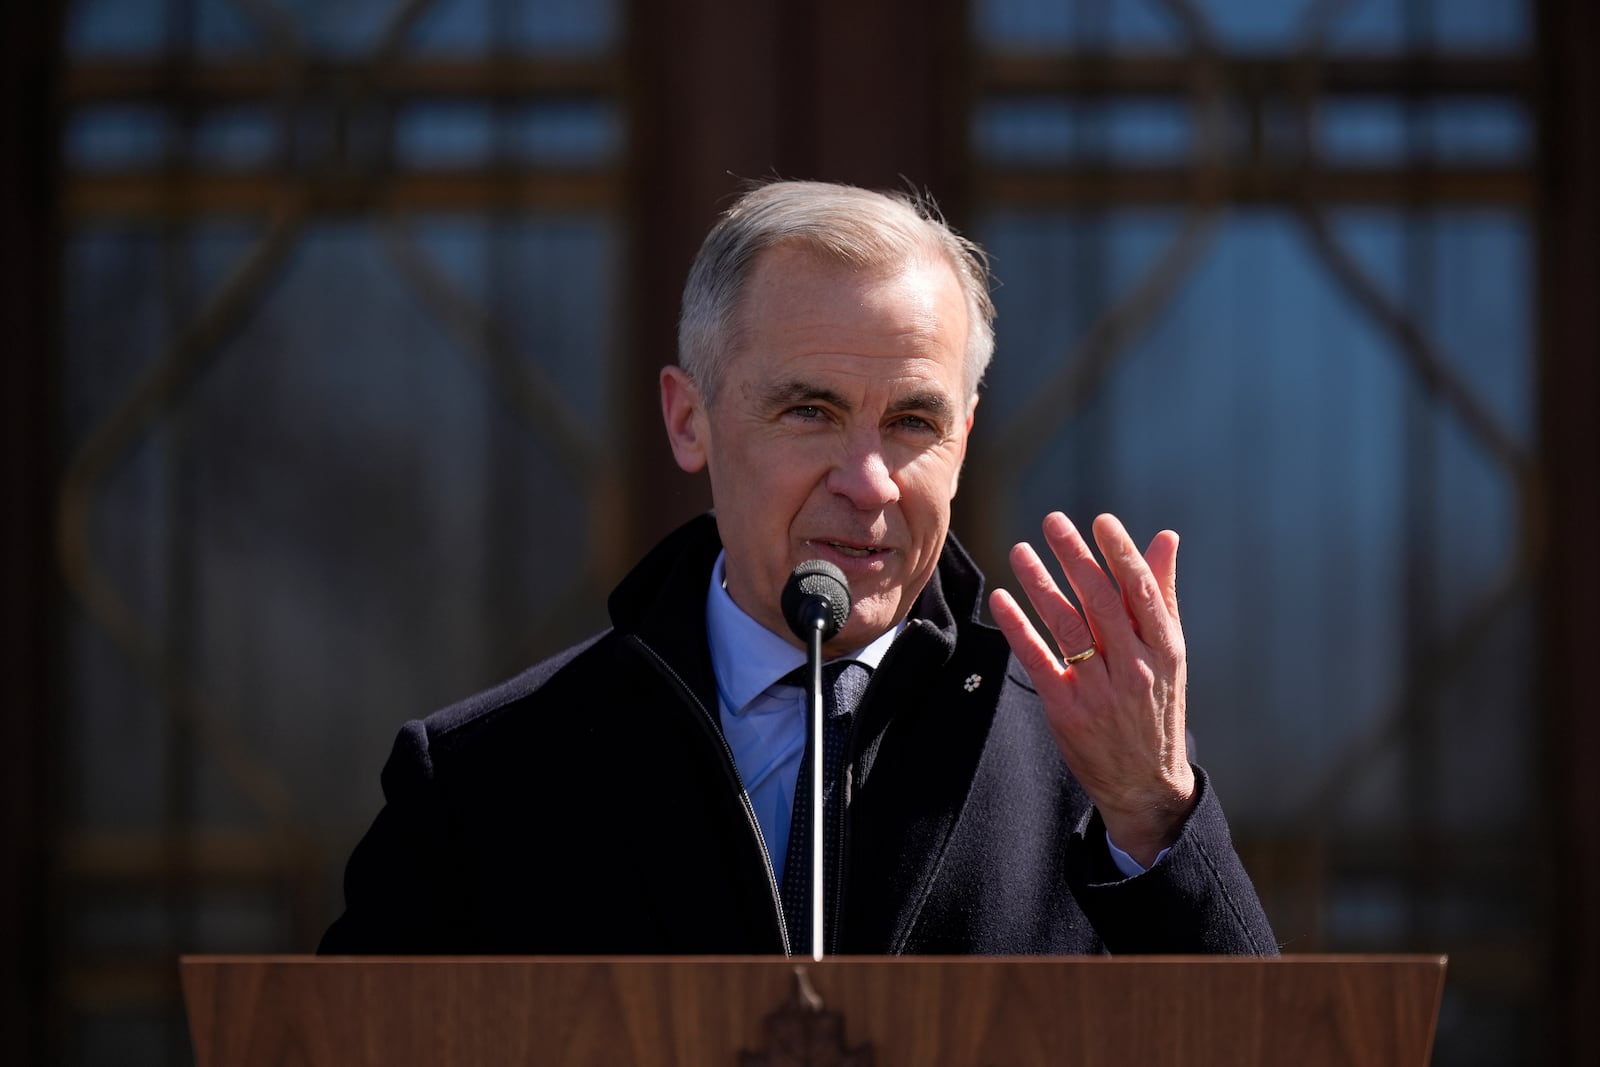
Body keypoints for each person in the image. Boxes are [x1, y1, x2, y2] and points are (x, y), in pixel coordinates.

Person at [320, 180, 1276, 956]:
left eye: (913, 422)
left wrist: (1155, 811)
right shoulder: (487, 779)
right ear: (688, 419)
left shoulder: (1088, 768)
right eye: (809, 411)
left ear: (966, 438)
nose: (868, 483)